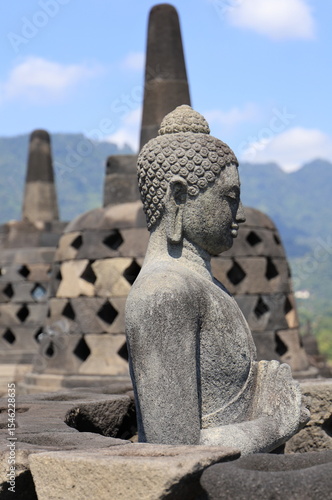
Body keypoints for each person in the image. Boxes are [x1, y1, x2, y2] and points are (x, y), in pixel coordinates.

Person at [125, 105, 309, 454]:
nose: (239, 214)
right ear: (178, 198)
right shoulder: (164, 293)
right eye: (230, 197)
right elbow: (173, 451)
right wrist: (276, 421)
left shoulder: (205, 287)